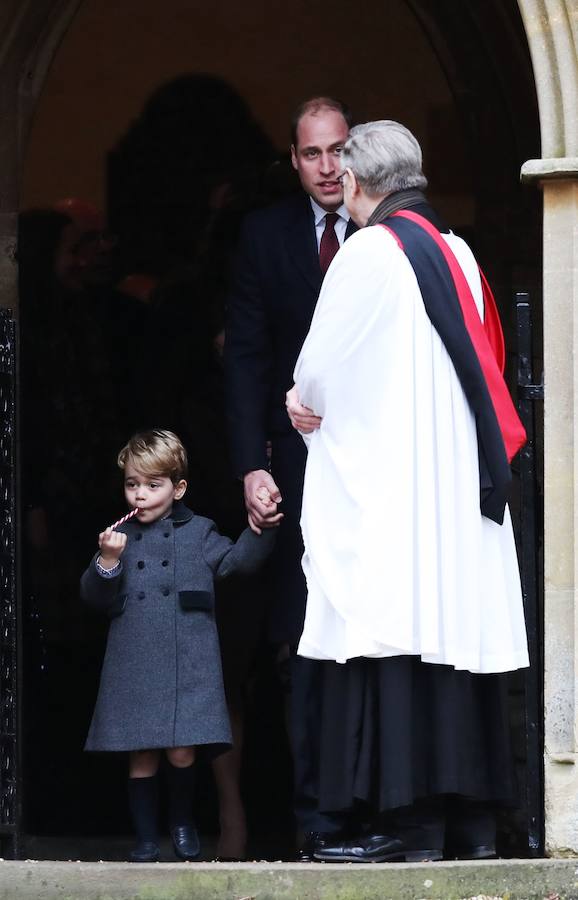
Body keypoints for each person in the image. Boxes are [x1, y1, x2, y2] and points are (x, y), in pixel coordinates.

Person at [286, 120, 529, 862]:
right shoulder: (456, 251)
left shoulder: (370, 252)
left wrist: (301, 403)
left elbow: (317, 374)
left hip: (399, 489)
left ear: (356, 183)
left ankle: (408, 825)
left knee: (396, 639)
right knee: (455, 644)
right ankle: (473, 827)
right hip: (457, 485)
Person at [225, 96, 357, 858]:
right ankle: (312, 817)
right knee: (298, 638)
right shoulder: (265, 235)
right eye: (313, 154)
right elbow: (244, 355)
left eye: (339, 149)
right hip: (294, 470)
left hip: (377, 468)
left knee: (371, 635)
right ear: (294, 159)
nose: (329, 166)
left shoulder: (384, 232)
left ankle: (369, 807)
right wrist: (250, 464)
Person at [80, 429, 274, 862]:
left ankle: (182, 822)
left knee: (183, 748)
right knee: (142, 751)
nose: (140, 495)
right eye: (132, 485)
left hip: (188, 657)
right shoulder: (117, 537)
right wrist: (107, 561)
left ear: (178, 487)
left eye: (153, 485)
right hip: (135, 658)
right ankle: (147, 837)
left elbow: (235, 564)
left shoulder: (199, 531)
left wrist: (260, 529)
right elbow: (93, 598)